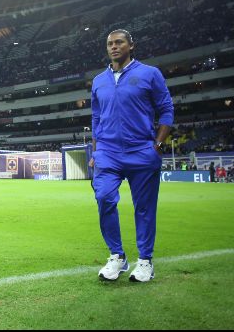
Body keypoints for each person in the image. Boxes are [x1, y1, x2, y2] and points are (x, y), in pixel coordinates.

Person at [89, 29, 174, 283]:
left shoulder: (150, 74)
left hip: (142, 151)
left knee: (145, 209)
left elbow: (167, 109)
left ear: (130, 45)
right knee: (104, 197)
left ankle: (145, 261)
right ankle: (117, 256)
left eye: (119, 42)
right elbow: (96, 118)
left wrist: (157, 144)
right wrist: (96, 151)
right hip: (108, 153)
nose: (114, 47)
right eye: (110, 44)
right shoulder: (98, 81)